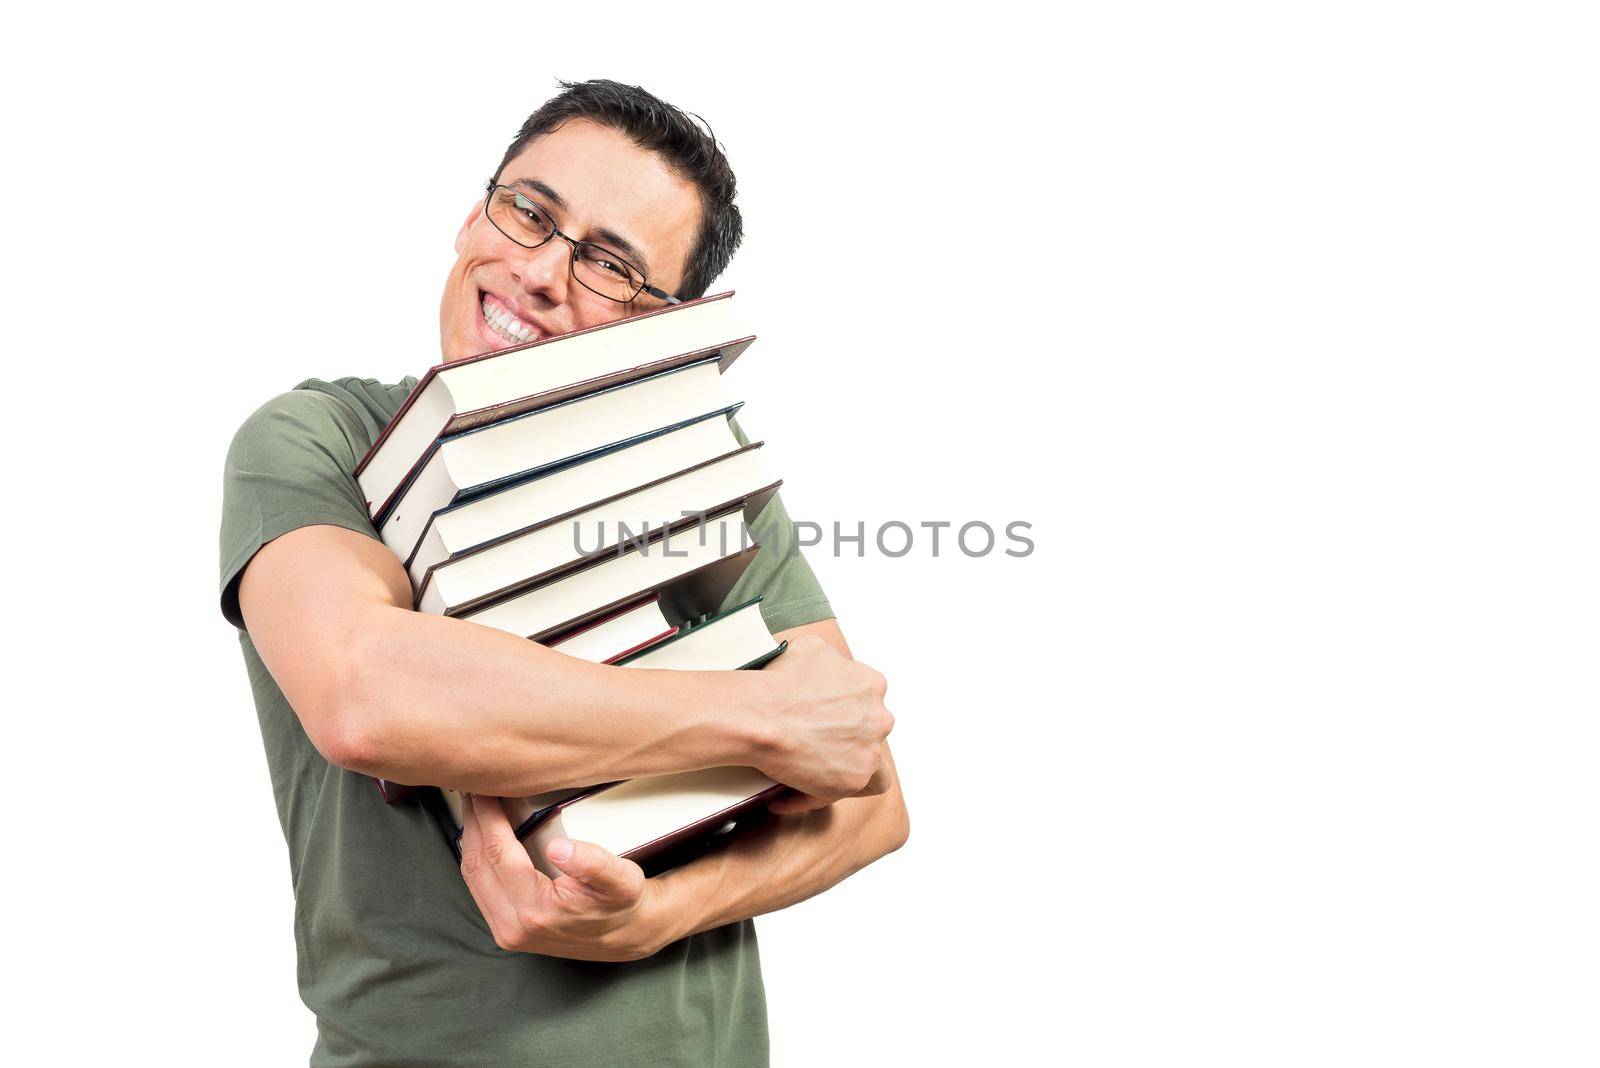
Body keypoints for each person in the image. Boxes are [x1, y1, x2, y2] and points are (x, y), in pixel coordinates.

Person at [218, 79, 908, 1066]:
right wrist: (758, 720)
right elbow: (365, 696)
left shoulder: (700, 474)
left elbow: (866, 790)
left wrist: (661, 911)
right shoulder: (319, 441)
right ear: (474, 212)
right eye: (528, 212)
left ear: (667, 331)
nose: (540, 271)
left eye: (612, 268)